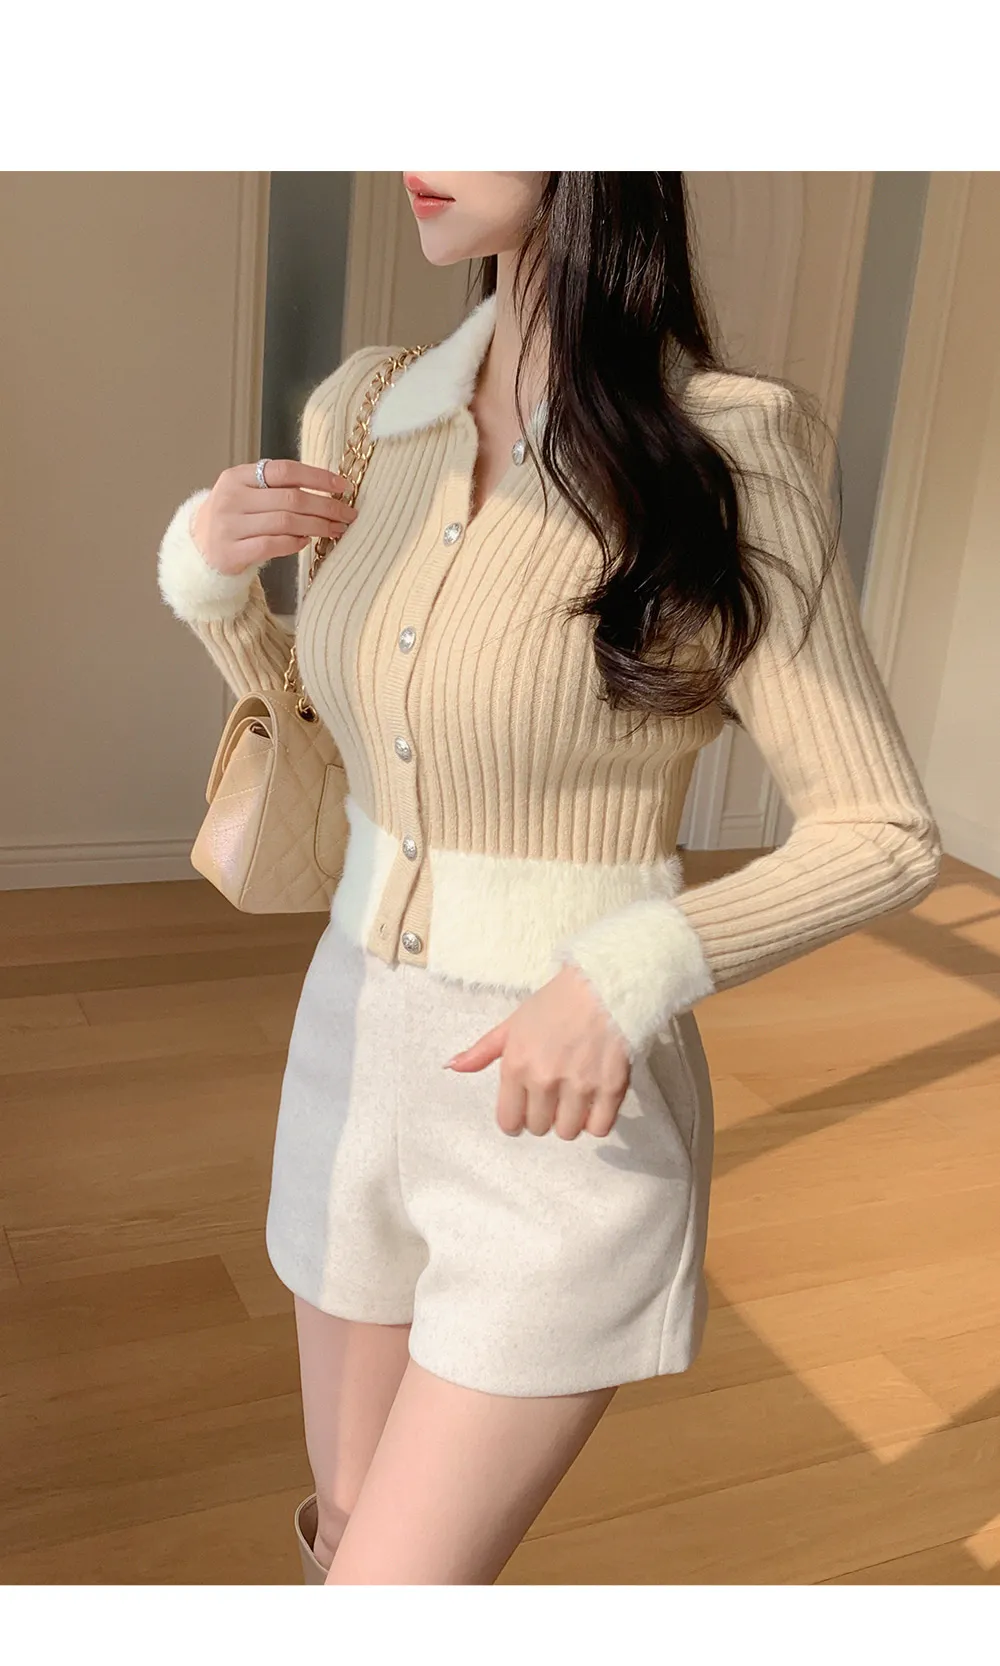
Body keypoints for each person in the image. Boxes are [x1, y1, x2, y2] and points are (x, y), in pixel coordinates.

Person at [156, 172, 942, 1585]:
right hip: (347, 1055)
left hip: (562, 1117)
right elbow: (339, 740)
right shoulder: (365, 412)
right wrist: (214, 587)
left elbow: (879, 828)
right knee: (345, 1533)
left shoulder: (730, 449)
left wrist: (626, 970)